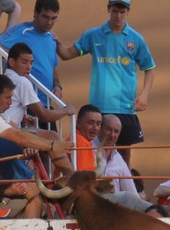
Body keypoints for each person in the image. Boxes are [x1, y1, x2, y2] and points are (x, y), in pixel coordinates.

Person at [56, 0, 155, 167]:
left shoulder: (136, 39)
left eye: (122, 12)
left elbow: (150, 68)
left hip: (125, 106)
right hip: (100, 107)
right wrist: (54, 41)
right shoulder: (94, 35)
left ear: (128, 12)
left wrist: (144, 95)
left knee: (124, 154)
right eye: (115, 11)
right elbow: (66, 55)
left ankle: (125, 190)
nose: (118, 15)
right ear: (109, 9)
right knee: (97, 152)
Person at [0, 0, 63, 117]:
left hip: (45, 102)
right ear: (35, 14)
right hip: (24, 103)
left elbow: (51, 66)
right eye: (45, 17)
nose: (49, 22)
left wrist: (58, 86)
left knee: (50, 135)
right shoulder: (21, 30)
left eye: (53, 18)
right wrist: (18, 58)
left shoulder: (51, 37)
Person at [94, 114, 138, 194]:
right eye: (108, 130)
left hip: (114, 203)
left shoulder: (119, 159)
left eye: (116, 131)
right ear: (100, 129)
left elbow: (132, 192)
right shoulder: (88, 149)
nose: (112, 135)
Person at [73, 104, 102, 171]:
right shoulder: (81, 142)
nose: (95, 128)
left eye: (98, 124)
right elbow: (84, 176)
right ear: (78, 123)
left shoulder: (78, 139)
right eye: (90, 123)